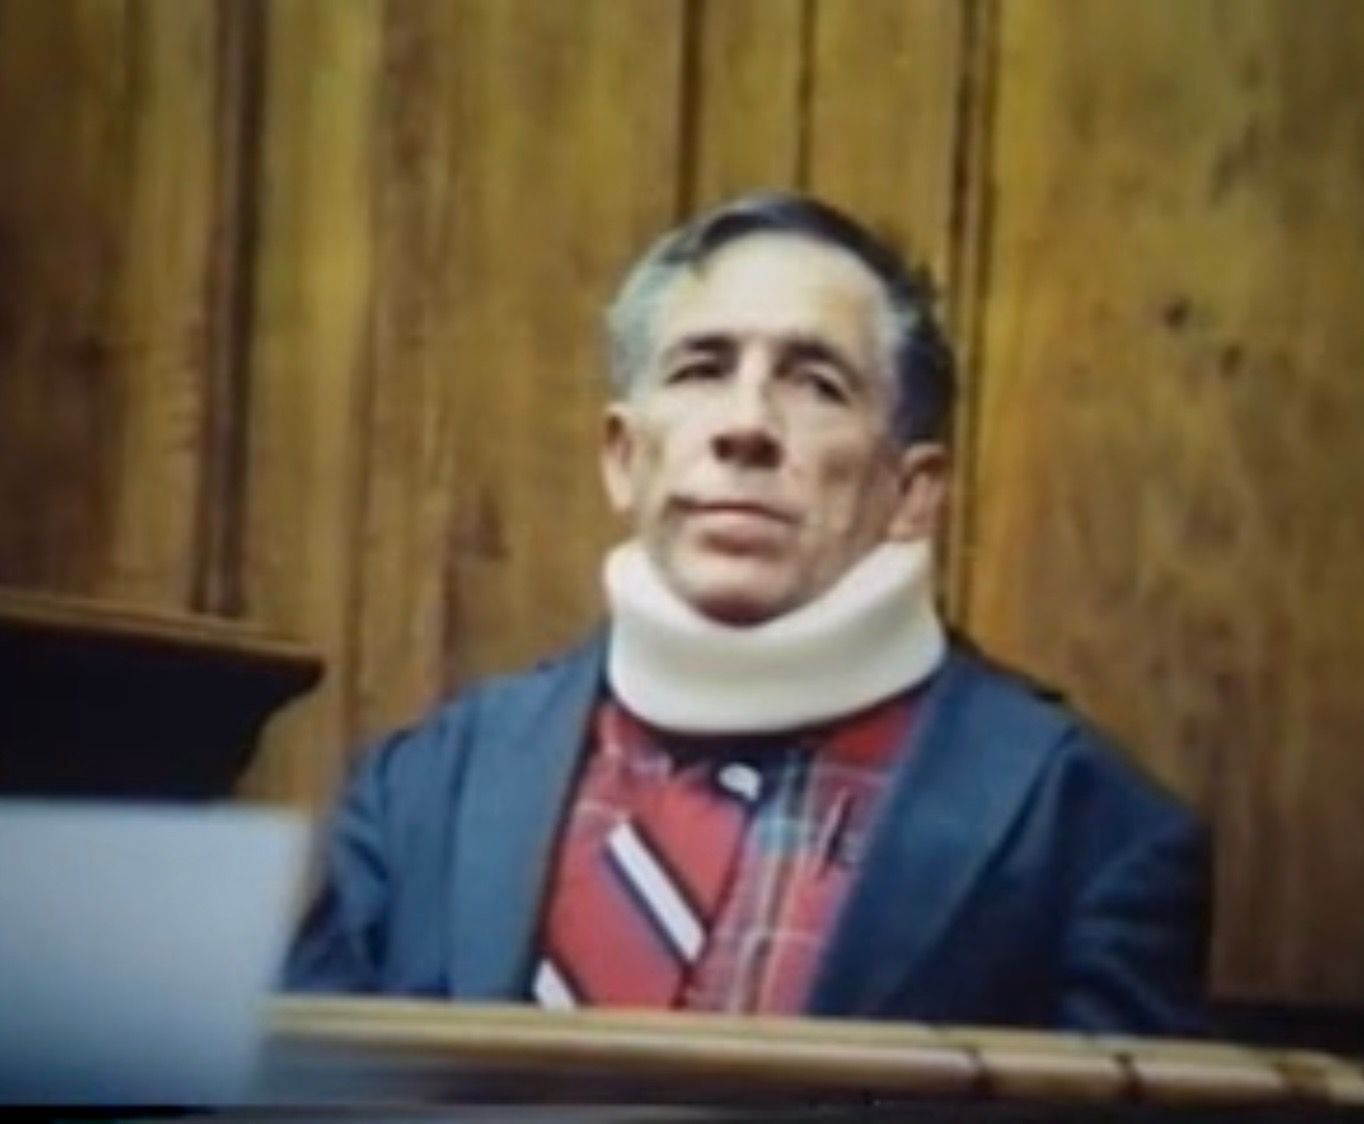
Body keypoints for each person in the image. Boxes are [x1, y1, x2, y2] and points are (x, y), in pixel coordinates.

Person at [284, 192, 1209, 1034]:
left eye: (816, 383)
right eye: (701, 369)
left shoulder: (1091, 834)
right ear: (622, 456)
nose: (746, 425)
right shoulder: (419, 796)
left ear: (912, 490)